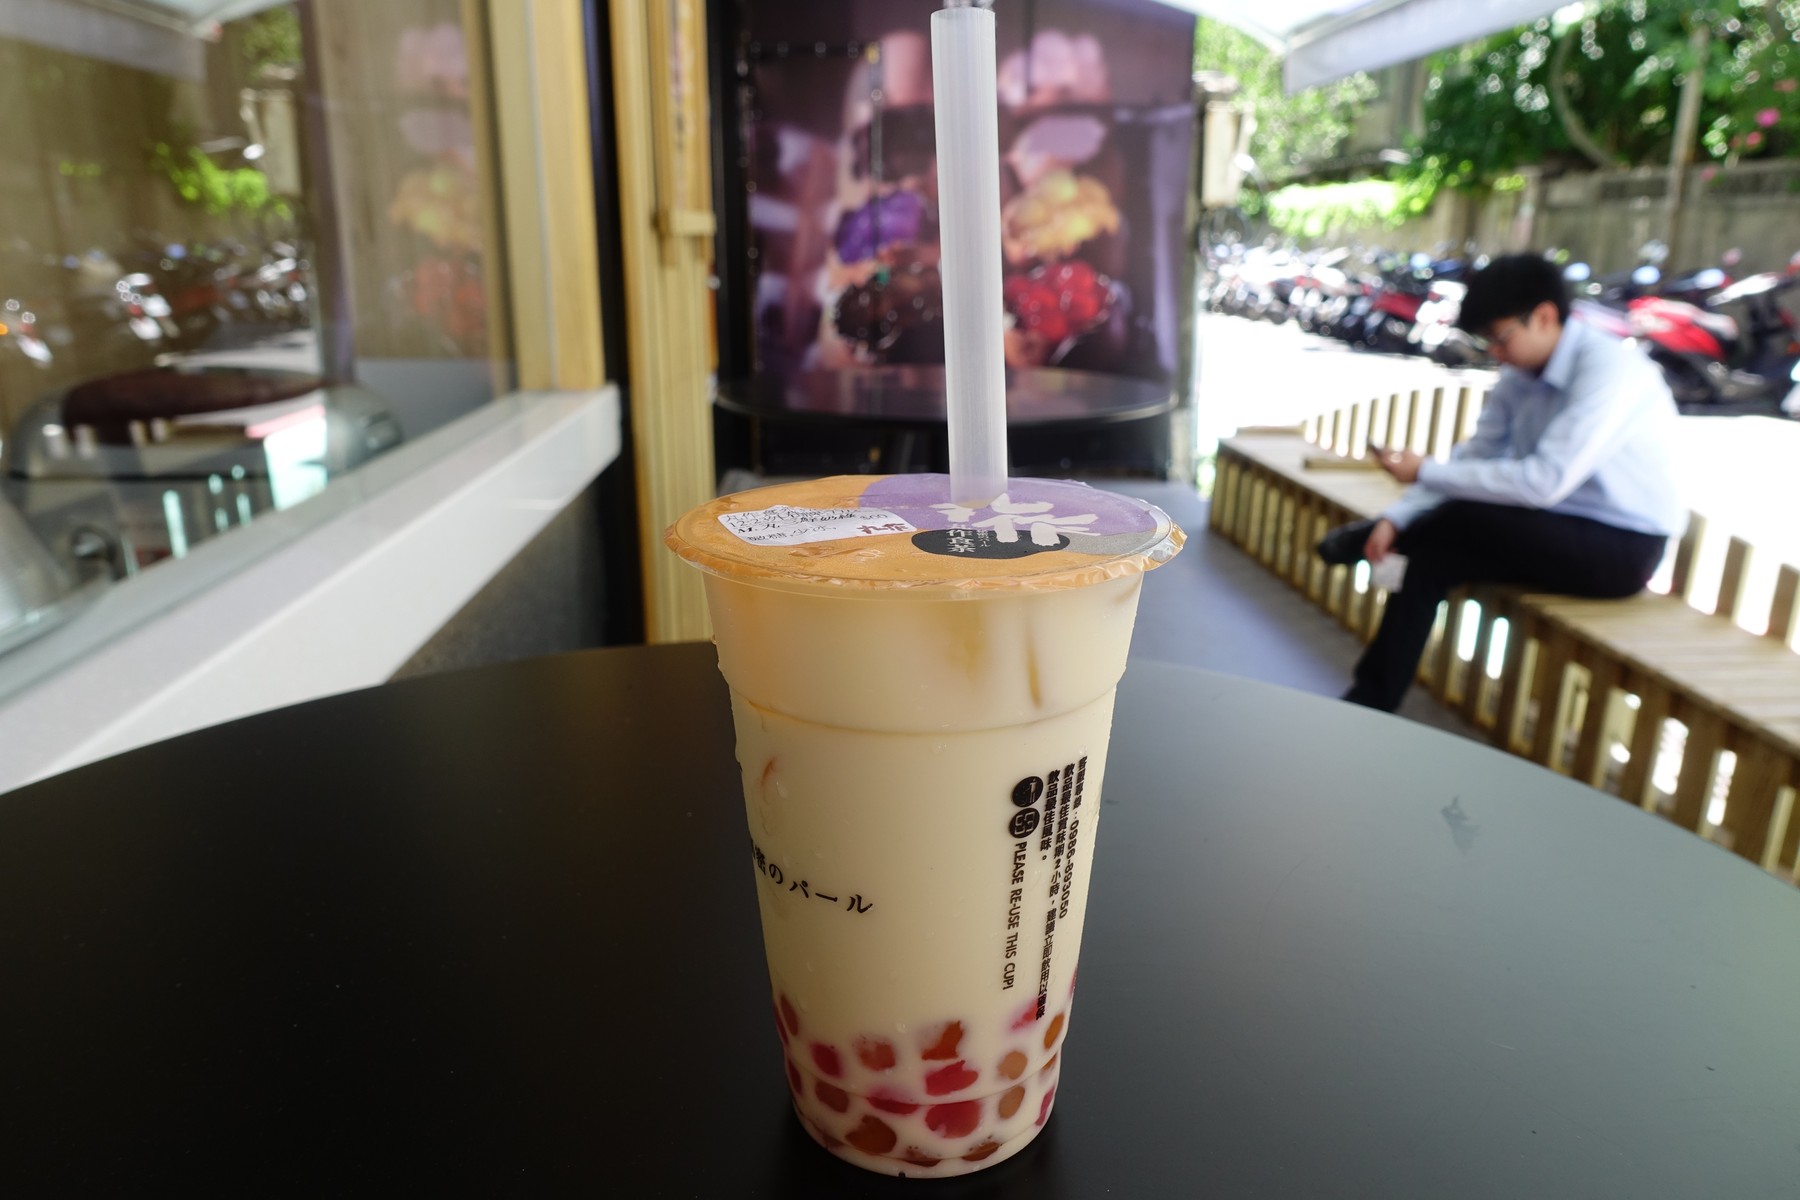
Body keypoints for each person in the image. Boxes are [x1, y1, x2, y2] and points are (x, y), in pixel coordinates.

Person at [1322, 253, 1686, 712]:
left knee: (1462, 517)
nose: (1494, 352)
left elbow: (1542, 483)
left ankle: (1362, 547)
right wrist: (1397, 517)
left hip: (1622, 549)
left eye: (1500, 338)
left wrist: (1424, 472)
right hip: (1548, 526)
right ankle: (1368, 701)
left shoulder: (1610, 371)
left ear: (1544, 317)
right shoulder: (1519, 374)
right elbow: (1476, 456)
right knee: (1428, 557)